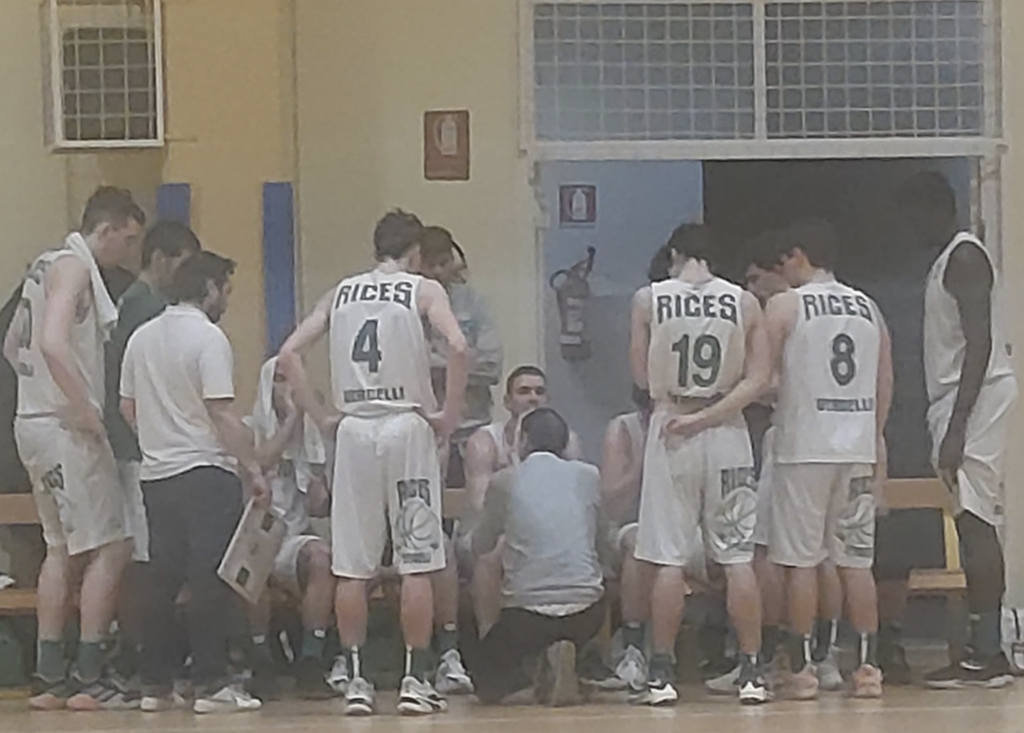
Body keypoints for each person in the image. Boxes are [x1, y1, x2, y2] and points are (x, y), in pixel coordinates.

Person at [277, 209, 469, 716]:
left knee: (352, 567)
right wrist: (448, 414)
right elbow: (458, 345)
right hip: (406, 426)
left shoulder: (340, 292)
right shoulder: (422, 289)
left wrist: (321, 416)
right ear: (416, 253)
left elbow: (289, 353)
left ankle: (357, 681)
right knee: (418, 561)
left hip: (355, 431)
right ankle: (415, 679)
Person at [4, 187, 145, 710]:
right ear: (104, 230)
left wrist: (37, 391)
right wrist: (83, 405)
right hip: (62, 425)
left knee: (59, 548)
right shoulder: (73, 268)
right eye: (126, 240)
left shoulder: (39, 266)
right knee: (112, 546)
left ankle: (49, 677)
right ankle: (89, 675)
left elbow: (12, 345)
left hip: (31, 423)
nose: (127, 253)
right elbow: (51, 342)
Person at [120, 251, 269, 713]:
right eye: (225, 289)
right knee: (210, 580)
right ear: (208, 289)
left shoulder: (141, 337)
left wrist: (159, 441)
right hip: (205, 472)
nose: (226, 299)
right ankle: (211, 683)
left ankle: (155, 685)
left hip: (156, 476)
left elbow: (127, 407)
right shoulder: (208, 338)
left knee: (161, 579)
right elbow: (220, 411)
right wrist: (252, 468)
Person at [629, 223, 771, 706]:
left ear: (676, 254)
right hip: (727, 429)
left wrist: (685, 416)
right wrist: (710, 416)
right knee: (737, 556)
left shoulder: (648, 298)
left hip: (673, 424)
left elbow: (639, 375)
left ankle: (661, 674)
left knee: (668, 559)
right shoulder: (744, 302)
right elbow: (759, 379)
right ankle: (752, 672)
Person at [707, 232, 846, 696]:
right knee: (824, 553)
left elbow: (767, 381)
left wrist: (719, 397)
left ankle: (773, 658)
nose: (750, 289)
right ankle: (824, 656)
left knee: (769, 550)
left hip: (797, 438)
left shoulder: (785, 309)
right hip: (844, 438)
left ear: (779, 269)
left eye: (754, 278)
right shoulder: (845, 308)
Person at [763, 218, 893, 700]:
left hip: (804, 447)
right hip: (856, 446)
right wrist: (872, 436)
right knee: (855, 562)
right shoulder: (868, 306)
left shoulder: (787, 305)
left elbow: (764, 377)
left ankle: (802, 671)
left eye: (784, 263)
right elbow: (884, 380)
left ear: (798, 255)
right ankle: (869, 669)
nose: (782, 273)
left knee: (801, 562)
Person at [897, 172, 1018, 688]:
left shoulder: (965, 256)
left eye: (911, 217)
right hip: (957, 400)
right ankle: (982, 647)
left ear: (934, 210)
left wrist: (958, 427)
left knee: (976, 521)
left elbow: (980, 342)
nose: (908, 229)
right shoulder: (947, 258)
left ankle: (988, 653)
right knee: (970, 520)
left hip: (975, 398)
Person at [103, 222, 201, 681]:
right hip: (142, 450)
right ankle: (145, 656)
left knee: (142, 556)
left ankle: (142, 653)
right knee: (146, 560)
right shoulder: (149, 310)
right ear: (160, 258)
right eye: (183, 264)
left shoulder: (130, 303)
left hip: (132, 445)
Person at [470, 407, 608, 706]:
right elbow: (602, 542)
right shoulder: (590, 476)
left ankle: (531, 683)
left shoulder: (505, 480)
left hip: (526, 617)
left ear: (523, 441)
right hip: (587, 612)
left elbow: (481, 544)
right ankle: (576, 664)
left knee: (484, 678)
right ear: (565, 444)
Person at [418, 225, 502, 694]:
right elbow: (403, 369)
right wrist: (454, 362)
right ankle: (435, 651)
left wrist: (440, 364)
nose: (446, 269)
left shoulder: (473, 303)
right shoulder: (407, 302)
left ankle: (487, 653)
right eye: (436, 262)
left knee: (477, 540)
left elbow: (491, 364)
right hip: (424, 435)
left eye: (448, 260)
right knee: (429, 544)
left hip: (472, 431)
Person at [460, 366, 582, 636]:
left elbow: (571, 500)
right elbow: (483, 506)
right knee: (494, 551)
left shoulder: (566, 440)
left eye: (539, 391)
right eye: (524, 391)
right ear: (507, 401)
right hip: (485, 531)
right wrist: (517, 455)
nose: (533, 398)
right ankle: (490, 638)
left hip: (540, 529)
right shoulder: (484, 442)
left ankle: (564, 637)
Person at [246, 357, 336, 699]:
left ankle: (311, 659)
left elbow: (319, 507)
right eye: (281, 380)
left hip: (294, 537)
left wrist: (318, 484)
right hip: (255, 534)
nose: (289, 389)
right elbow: (260, 462)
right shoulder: (248, 428)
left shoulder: (311, 440)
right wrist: (292, 420)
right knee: (252, 566)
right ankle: (260, 659)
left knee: (322, 558)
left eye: (294, 381)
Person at [599, 386, 652, 692]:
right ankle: (633, 648)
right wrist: (640, 466)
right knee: (639, 544)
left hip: (684, 528)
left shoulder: (698, 424)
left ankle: (743, 653)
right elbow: (610, 501)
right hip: (629, 524)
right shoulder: (622, 429)